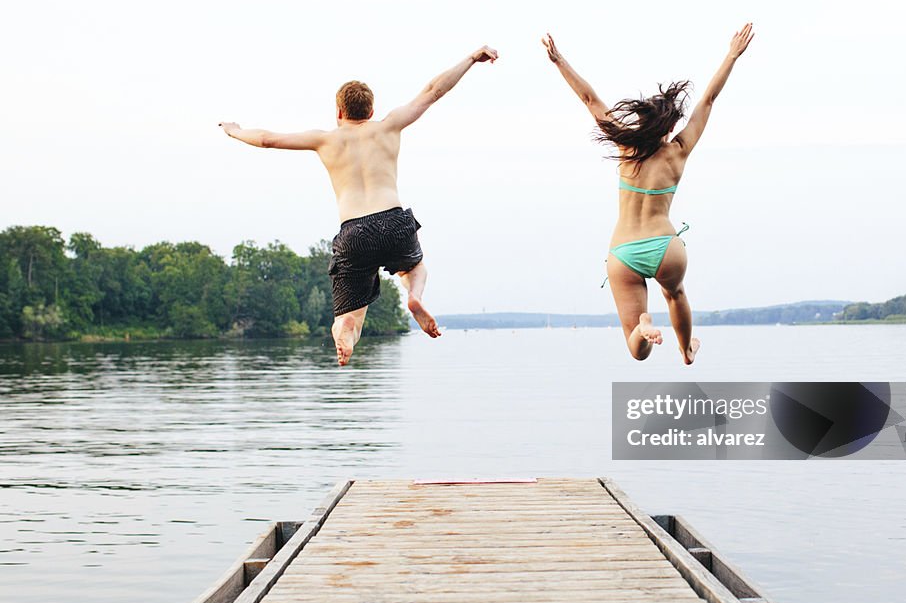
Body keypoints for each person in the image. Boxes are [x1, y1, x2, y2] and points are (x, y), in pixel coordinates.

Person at [219, 45, 499, 366]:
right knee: (414, 269)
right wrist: (471, 58)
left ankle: (345, 331)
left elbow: (268, 139)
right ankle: (414, 298)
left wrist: (234, 131)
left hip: (354, 232)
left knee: (351, 310)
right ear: (371, 110)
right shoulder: (389, 126)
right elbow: (434, 91)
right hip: (394, 221)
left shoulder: (325, 139)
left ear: (339, 112)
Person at [542, 25, 754, 364]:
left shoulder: (626, 146)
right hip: (665, 246)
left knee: (636, 352)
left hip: (623, 251)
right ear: (669, 126)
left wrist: (559, 60)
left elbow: (589, 99)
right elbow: (708, 100)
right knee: (675, 294)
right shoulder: (678, 151)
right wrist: (731, 55)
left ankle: (642, 331)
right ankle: (686, 351)